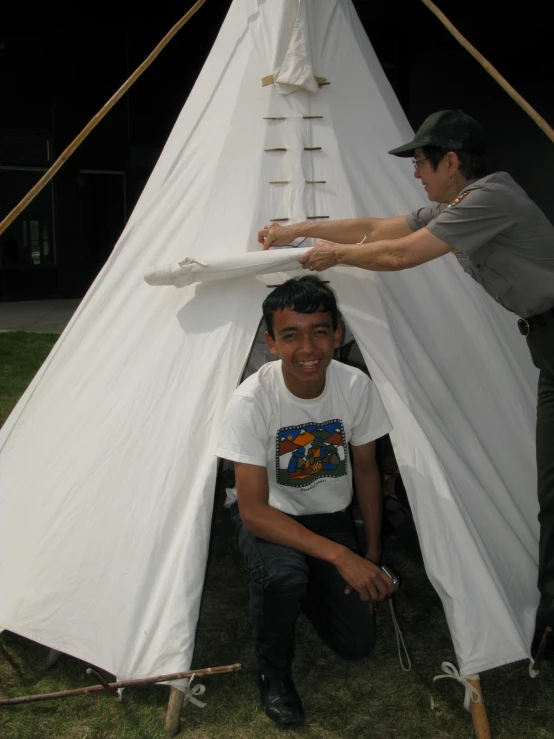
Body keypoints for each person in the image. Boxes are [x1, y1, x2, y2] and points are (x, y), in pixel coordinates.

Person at [258, 109, 554, 653]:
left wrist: (334, 257)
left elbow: (399, 253)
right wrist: (301, 230)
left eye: (420, 162)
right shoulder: (454, 205)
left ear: (452, 162)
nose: (416, 173)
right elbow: (378, 228)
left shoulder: (492, 196)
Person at [216, 276, 395, 727]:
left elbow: (368, 471)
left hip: (329, 516)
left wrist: (370, 555)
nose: (308, 348)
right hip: (270, 518)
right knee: (281, 577)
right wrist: (342, 556)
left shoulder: (355, 387)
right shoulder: (250, 401)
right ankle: (273, 673)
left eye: (319, 330)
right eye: (291, 334)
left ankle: (312, 580)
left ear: (338, 334)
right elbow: (254, 511)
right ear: (270, 342)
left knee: (357, 644)